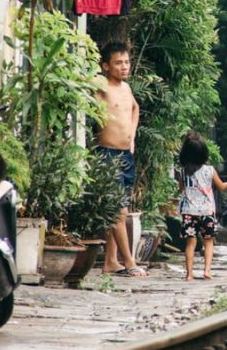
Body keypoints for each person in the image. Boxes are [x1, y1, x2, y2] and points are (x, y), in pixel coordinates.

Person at [94, 41, 146, 277]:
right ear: (106, 66)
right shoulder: (100, 86)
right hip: (107, 154)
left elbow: (135, 108)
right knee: (117, 212)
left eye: (126, 62)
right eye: (118, 63)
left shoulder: (125, 88)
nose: (124, 67)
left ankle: (111, 261)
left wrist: (132, 134)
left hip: (125, 155)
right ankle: (130, 262)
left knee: (120, 209)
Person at [178, 130, 227, 280]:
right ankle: (207, 271)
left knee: (190, 243)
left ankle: (189, 274)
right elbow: (222, 187)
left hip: (189, 211)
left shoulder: (183, 172)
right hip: (207, 211)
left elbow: (182, 190)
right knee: (208, 241)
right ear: (204, 153)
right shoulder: (210, 170)